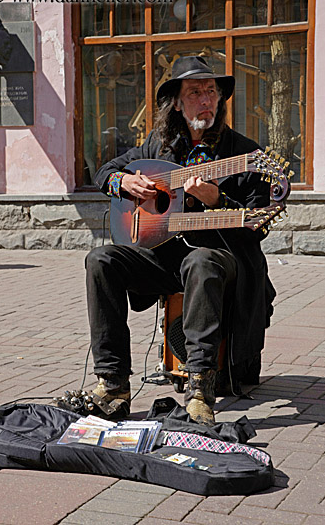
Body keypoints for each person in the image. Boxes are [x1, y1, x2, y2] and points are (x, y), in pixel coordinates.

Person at [85, 56, 276, 426]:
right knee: (101, 260)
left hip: (221, 259)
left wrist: (217, 200)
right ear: (177, 102)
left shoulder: (243, 153)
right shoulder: (158, 147)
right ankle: (112, 384)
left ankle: (201, 390)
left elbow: (259, 225)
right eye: (195, 93)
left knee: (201, 260)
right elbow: (105, 170)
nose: (206, 100)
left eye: (211, 92)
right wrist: (123, 182)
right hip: (162, 257)